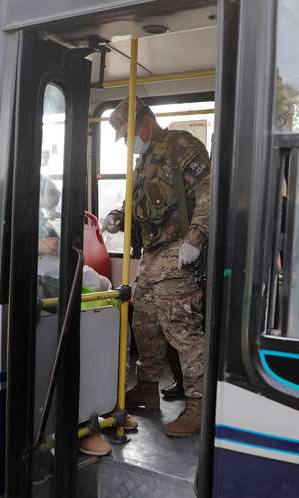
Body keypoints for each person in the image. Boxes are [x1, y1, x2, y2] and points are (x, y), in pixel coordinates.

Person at [102, 97, 210, 438]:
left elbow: (209, 193)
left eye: (130, 133)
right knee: (143, 319)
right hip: (152, 253)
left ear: (145, 122)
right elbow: (136, 199)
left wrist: (196, 237)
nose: (130, 142)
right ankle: (147, 388)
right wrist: (119, 216)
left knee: (181, 328)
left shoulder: (183, 146)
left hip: (179, 250)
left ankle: (199, 406)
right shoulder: (145, 159)